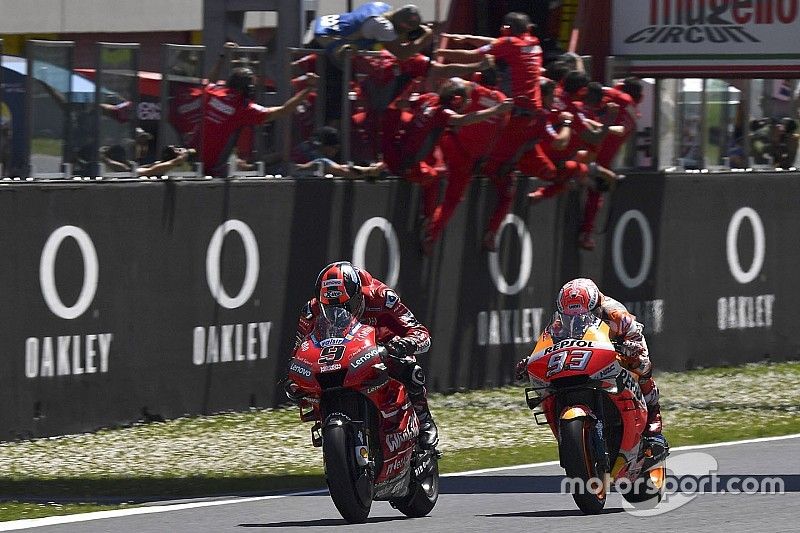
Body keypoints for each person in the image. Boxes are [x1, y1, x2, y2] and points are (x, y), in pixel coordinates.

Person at [291, 261, 438, 449]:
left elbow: (420, 332)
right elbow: (298, 348)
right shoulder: (312, 310)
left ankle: (424, 419)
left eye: (345, 306)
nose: (338, 314)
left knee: (411, 371)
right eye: (330, 309)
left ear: (358, 295)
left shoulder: (381, 297)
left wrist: (405, 344)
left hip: (383, 349)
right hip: (340, 357)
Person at [515, 278, 667, 450]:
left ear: (597, 308)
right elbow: (547, 345)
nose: (574, 322)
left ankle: (654, 420)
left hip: (617, 352)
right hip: (583, 360)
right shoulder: (558, 323)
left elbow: (638, 343)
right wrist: (532, 361)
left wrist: (632, 349)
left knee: (642, 367)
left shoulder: (617, 316)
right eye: (568, 317)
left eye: (582, 316)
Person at [381, 80, 513, 229]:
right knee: (436, 175)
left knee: (437, 158)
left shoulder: (429, 98)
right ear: (457, 99)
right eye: (467, 99)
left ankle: (384, 167)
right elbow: (463, 120)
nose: (470, 102)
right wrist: (497, 110)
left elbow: (402, 104)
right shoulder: (443, 113)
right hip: (406, 165)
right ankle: (428, 219)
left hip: (394, 150)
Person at [197, 68, 318, 177]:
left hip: (195, 160)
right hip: (214, 167)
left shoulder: (213, 91)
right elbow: (283, 110)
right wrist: (308, 89)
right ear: (248, 89)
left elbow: (208, 82)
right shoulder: (244, 109)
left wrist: (221, 58)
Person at [293, 126, 385, 178]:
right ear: (324, 145)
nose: (336, 151)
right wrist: (370, 170)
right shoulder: (321, 161)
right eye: (335, 148)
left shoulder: (300, 149)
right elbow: (344, 171)